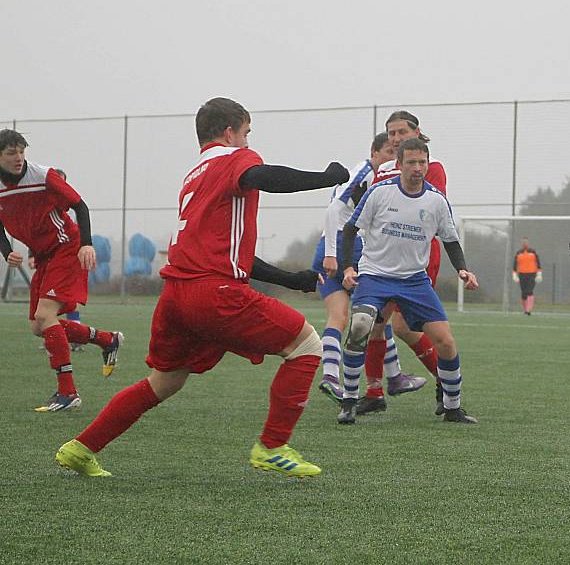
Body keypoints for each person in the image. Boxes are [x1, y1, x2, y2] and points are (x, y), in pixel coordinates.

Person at [55, 97, 349, 477]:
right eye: (245, 133)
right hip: (213, 294)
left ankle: (81, 448)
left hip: (176, 295)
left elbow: (226, 254)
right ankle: (272, 445)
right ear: (229, 133)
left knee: (165, 381)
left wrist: (290, 280)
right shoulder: (234, 159)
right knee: (306, 344)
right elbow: (262, 176)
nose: (248, 142)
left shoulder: (195, 175)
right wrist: (325, 178)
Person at [336, 137, 480, 425]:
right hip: (375, 276)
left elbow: (450, 240)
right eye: (411, 162)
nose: (417, 168)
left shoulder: (436, 200)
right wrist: (348, 268)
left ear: (427, 164)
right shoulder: (379, 192)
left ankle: (453, 408)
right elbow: (351, 229)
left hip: (414, 281)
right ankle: (350, 400)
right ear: (399, 164)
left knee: (446, 342)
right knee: (361, 326)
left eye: (422, 162)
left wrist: (463, 269)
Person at [0, 131, 123, 412]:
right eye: (10, 152)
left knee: (45, 316)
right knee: (37, 326)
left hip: (67, 247)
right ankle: (107, 339)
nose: (18, 158)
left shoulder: (43, 175)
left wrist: (86, 244)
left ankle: (68, 393)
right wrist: (7, 252)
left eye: (21, 151)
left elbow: (80, 205)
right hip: (44, 256)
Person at [313, 132, 426, 403]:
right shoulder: (364, 172)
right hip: (343, 248)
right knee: (377, 314)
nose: (393, 159)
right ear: (374, 153)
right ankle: (394, 376)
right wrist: (332, 254)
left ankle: (331, 377)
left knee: (346, 317)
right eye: (389, 152)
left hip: (331, 247)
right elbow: (333, 210)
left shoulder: (377, 180)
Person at [357, 110, 449, 416]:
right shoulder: (383, 170)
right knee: (376, 323)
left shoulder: (431, 168)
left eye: (401, 132)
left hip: (416, 261)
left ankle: (443, 381)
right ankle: (374, 391)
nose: (395, 138)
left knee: (404, 326)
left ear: (417, 132)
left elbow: (427, 212)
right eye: (391, 133)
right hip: (384, 262)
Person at [29, 169, 85, 352]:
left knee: (61, 302)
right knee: (40, 321)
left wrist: (86, 246)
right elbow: (36, 233)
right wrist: (31, 255)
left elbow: (73, 228)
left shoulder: (65, 213)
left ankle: (60, 339)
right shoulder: (41, 205)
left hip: (67, 256)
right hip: (47, 260)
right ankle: (59, 336)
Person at [512, 237, 542, 315]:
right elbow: (515, 265)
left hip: (532, 274)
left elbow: (538, 263)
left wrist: (539, 274)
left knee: (530, 291)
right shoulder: (518, 253)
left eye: (526, 242)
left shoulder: (533, 252)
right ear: (521, 243)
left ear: (528, 243)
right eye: (523, 242)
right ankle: (525, 310)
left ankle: (528, 310)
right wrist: (514, 274)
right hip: (522, 274)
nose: (524, 243)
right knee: (524, 293)